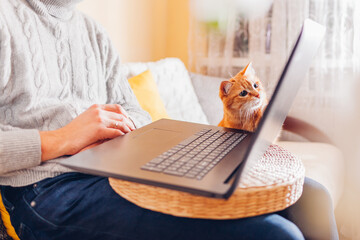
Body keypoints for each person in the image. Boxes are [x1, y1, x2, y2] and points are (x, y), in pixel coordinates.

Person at [0, 0, 338, 239]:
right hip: (45, 190)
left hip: (114, 171)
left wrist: (105, 134)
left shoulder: (94, 33)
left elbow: (136, 113)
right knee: (275, 235)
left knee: (313, 198)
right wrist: (63, 138)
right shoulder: (6, 18)